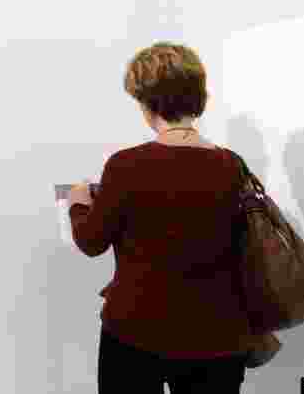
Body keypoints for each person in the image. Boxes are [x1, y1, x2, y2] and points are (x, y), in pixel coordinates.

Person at [68, 42, 255, 393]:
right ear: (197, 97)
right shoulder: (233, 165)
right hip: (218, 336)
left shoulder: (126, 165)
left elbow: (91, 242)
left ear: (146, 103)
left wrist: (79, 204)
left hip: (136, 332)